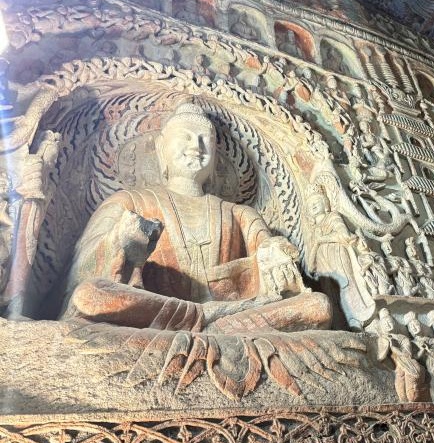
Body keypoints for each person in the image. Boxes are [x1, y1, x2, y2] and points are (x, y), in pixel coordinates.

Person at [62, 102, 332, 334]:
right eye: (186, 137)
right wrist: (120, 244)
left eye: (205, 140)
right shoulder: (129, 202)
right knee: (91, 295)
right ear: (161, 149)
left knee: (318, 306)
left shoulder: (240, 214)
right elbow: (81, 274)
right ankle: (208, 322)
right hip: (167, 311)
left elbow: (276, 268)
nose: (196, 146)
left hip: (231, 310)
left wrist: (275, 255)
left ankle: (207, 323)